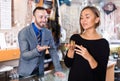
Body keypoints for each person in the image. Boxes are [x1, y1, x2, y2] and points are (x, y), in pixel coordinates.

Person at [64, 6, 110, 81]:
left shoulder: (103, 44)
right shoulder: (75, 38)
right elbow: (68, 64)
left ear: (97, 20)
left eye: (87, 17)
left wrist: (88, 57)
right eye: (81, 18)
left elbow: (100, 74)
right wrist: (71, 51)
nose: (83, 20)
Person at [18, 7, 64, 79]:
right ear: (34, 17)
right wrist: (37, 50)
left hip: (40, 72)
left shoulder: (48, 33)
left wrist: (58, 69)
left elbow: (53, 52)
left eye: (46, 17)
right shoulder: (23, 33)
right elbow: (24, 55)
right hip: (26, 73)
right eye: (41, 17)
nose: (44, 20)